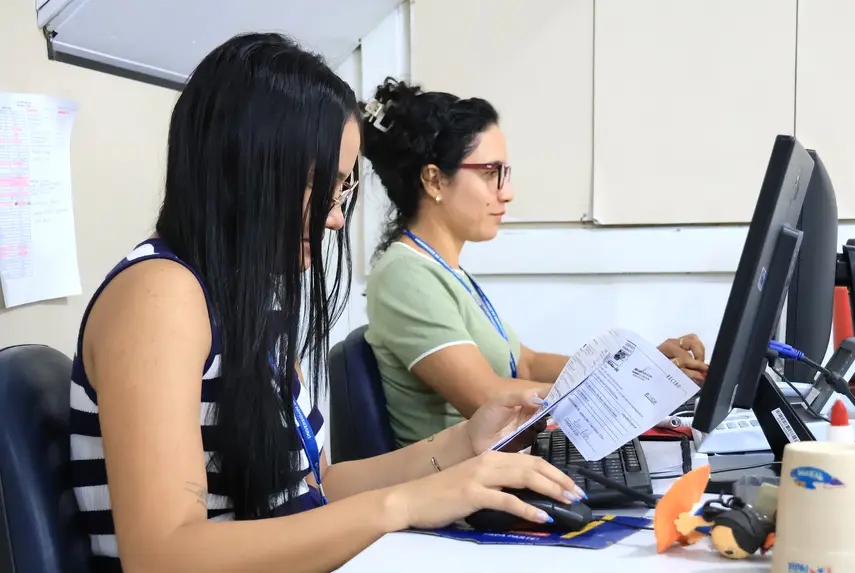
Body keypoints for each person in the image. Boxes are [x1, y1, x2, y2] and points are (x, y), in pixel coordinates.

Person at [68, 34, 582, 573]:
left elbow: (316, 487)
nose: (336, 217)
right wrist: (405, 506)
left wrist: (462, 443)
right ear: (253, 169)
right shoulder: (160, 295)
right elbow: (163, 555)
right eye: (327, 187)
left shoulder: (246, 301)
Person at [361, 78, 709, 449]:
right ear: (435, 180)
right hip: (457, 491)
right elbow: (487, 398)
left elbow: (523, 363)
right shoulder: (405, 275)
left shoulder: (445, 270)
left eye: (504, 174)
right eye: (490, 173)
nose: (506, 192)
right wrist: (626, 387)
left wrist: (635, 366)